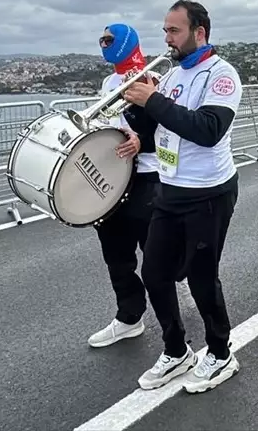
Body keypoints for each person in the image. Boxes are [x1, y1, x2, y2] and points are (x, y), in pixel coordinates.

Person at [121, 0, 242, 394]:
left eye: (174, 31)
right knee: (154, 273)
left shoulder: (222, 75)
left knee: (203, 277)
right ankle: (176, 349)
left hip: (209, 192)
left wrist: (153, 100)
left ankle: (221, 352)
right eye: (165, 31)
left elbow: (208, 129)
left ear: (199, 33)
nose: (168, 39)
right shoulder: (171, 76)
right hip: (170, 188)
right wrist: (136, 110)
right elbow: (159, 131)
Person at [85, 24, 164, 348]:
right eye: (101, 40)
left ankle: (172, 325)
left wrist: (141, 141)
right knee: (116, 253)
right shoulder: (108, 82)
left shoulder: (153, 79)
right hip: (114, 176)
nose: (104, 44)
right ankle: (129, 316)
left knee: (156, 256)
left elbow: (167, 129)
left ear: (128, 42)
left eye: (110, 39)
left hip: (147, 174)